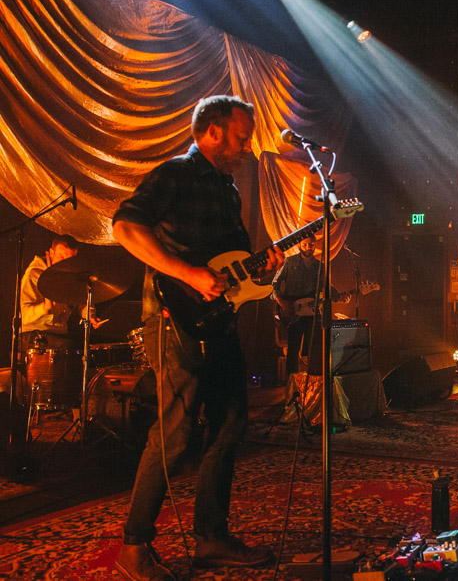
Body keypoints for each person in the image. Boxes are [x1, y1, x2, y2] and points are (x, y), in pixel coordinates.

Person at [111, 96, 284, 581]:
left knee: (231, 420)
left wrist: (265, 267)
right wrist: (186, 273)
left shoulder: (229, 191)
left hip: (220, 321)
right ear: (211, 132)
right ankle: (133, 548)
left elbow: (235, 266)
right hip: (174, 318)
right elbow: (124, 225)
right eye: (241, 136)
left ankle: (211, 537)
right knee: (176, 431)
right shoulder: (174, 175)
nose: (248, 147)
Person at [20, 234, 106, 352]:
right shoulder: (34, 274)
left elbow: (81, 301)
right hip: (34, 334)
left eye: (69, 259)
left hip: (59, 333)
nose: (65, 263)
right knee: (72, 349)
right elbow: (24, 316)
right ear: (51, 253)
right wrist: (44, 308)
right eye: (61, 257)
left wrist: (90, 315)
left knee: (94, 349)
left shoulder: (69, 273)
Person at [272, 234, 322, 375]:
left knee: (314, 351)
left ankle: (313, 386)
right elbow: (274, 283)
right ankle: (291, 387)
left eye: (311, 244)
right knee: (292, 352)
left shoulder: (320, 266)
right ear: (299, 244)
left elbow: (327, 287)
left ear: (315, 245)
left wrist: (341, 295)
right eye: (305, 244)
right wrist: (282, 302)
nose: (308, 247)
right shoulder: (289, 262)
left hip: (312, 313)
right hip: (292, 312)